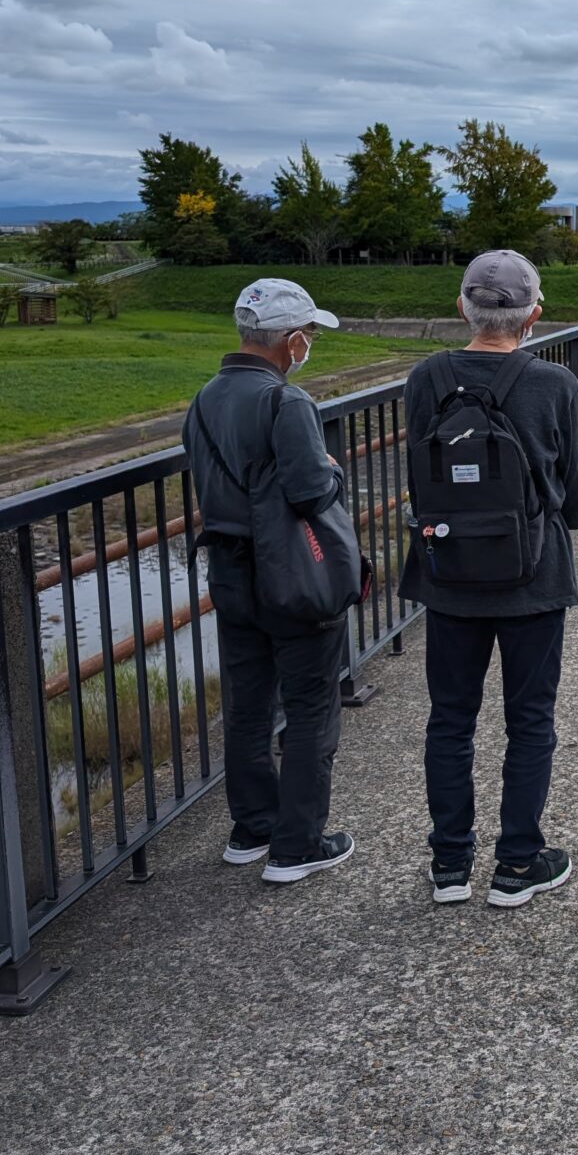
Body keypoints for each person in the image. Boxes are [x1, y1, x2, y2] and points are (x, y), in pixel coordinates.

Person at [400, 251, 578, 908]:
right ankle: (516, 862)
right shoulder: (556, 384)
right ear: (534, 313)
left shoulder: (425, 377)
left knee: (450, 718)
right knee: (530, 719)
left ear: (462, 308)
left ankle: (450, 865)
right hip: (534, 574)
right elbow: (569, 497)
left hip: (447, 571)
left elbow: (419, 470)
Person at [183, 279, 355, 885]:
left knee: (249, 703)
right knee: (310, 706)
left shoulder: (204, 398)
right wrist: (332, 470)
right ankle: (298, 843)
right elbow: (310, 491)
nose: (309, 344)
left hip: (229, 569)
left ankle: (252, 827)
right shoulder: (287, 403)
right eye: (308, 334)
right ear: (290, 340)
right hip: (291, 573)